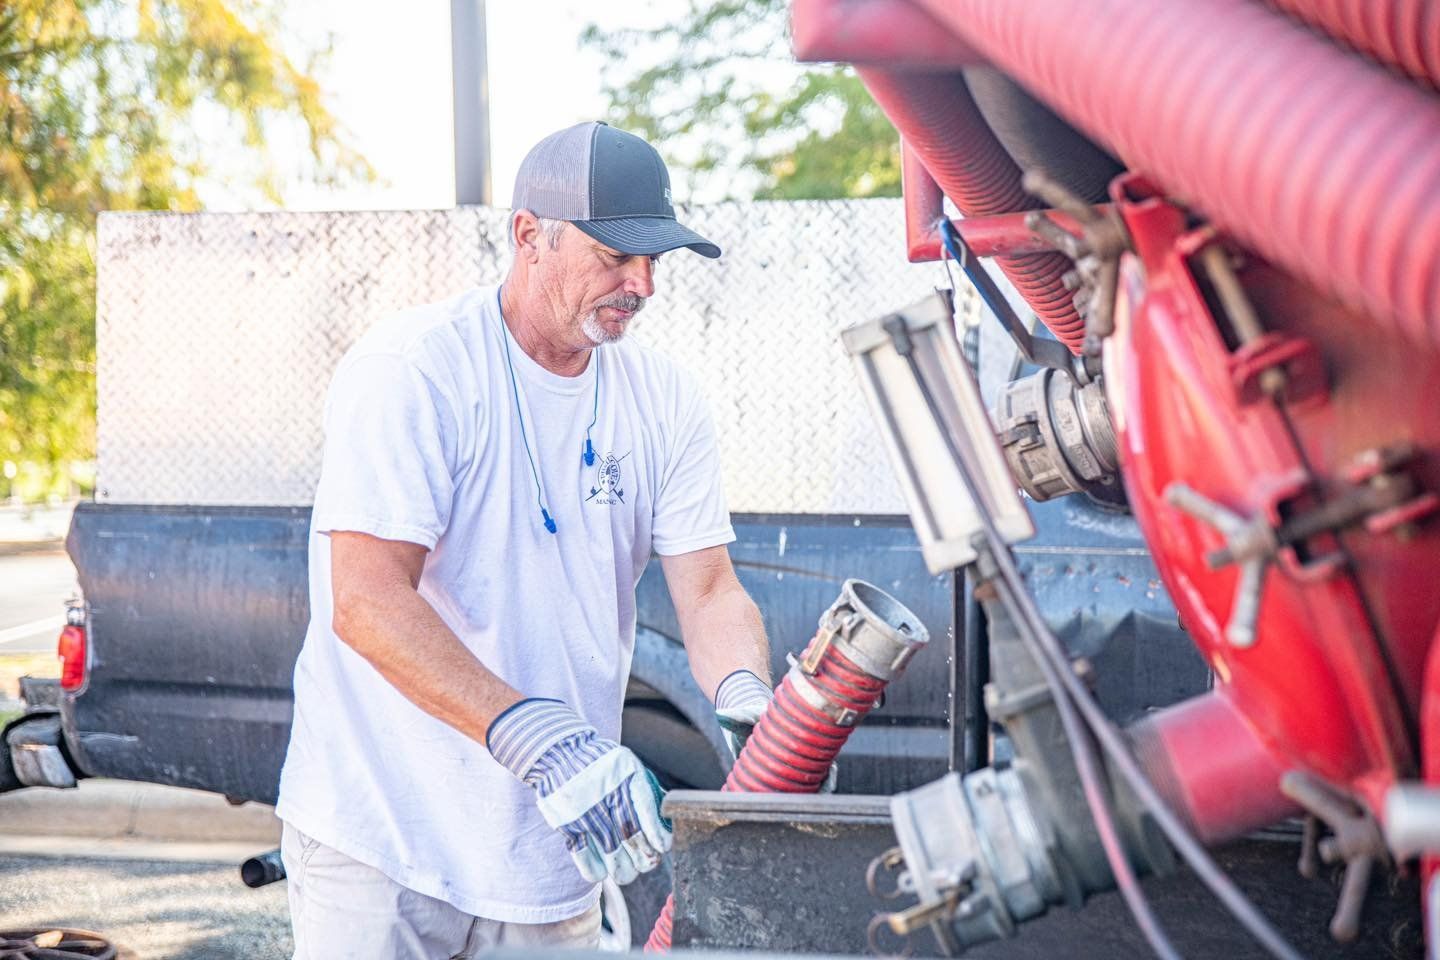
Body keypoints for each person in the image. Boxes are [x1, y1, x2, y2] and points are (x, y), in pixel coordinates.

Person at [275, 121, 778, 958]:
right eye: (616, 256)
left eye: (655, 259)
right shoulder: (419, 369)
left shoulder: (664, 398)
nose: (643, 283)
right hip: (383, 843)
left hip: (551, 859)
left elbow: (710, 588)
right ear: (528, 235)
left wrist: (746, 696)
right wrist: (537, 738)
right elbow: (365, 602)